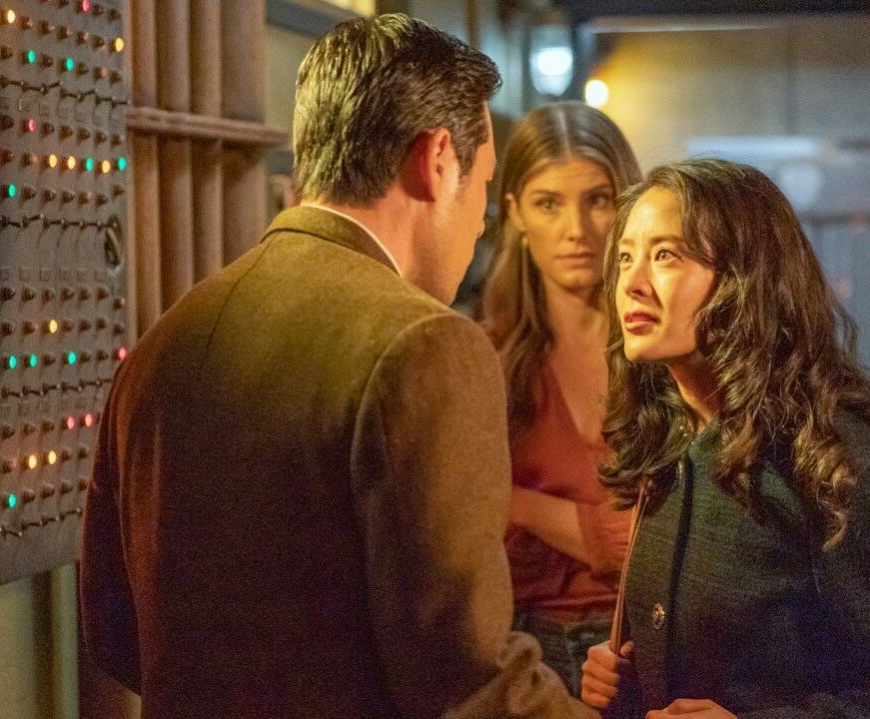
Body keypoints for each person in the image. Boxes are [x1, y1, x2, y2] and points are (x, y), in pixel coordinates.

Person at [80, 14, 596, 719]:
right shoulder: (425, 343)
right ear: (436, 160)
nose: (481, 222)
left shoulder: (167, 337)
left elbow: (113, 632)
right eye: (482, 185)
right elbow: (465, 675)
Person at [580, 159, 870, 718]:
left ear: (744, 280)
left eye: (665, 255)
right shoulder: (668, 444)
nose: (632, 284)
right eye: (625, 258)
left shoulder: (835, 461)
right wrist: (626, 683)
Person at [479, 102, 641, 696]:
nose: (577, 229)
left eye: (598, 199)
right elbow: (456, 525)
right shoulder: (482, 358)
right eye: (549, 203)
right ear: (517, 213)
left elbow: (649, 539)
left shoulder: (665, 354)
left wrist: (518, 504)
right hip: (527, 648)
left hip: (652, 645)